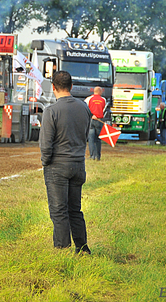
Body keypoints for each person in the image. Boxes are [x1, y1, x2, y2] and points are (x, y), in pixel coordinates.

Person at [39, 70, 92, 254]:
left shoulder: (51, 111)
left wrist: (46, 162)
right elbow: (85, 136)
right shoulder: (84, 108)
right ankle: (82, 248)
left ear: (53, 87)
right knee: (75, 209)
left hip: (57, 167)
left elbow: (46, 144)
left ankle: (62, 250)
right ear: (71, 86)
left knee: (59, 210)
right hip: (78, 164)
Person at [85, 87, 106, 161]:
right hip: (99, 120)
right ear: (100, 91)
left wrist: (91, 115)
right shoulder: (103, 100)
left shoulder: (88, 99)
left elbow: (85, 107)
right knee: (98, 139)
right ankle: (98, 156)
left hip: (91, 120)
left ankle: (92, 156)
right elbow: (103, 109)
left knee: (91, 138)